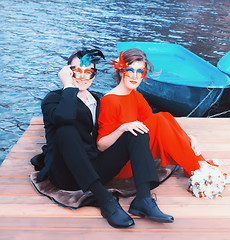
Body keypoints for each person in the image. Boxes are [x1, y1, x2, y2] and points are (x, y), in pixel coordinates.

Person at [37, 49, 173, 229]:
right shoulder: (53, 99)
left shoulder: (97, 100)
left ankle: (143, 199)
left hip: (94, 167)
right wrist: (69, 85)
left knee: (135, 129)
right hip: (66, 175)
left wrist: (125, 127)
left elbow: (102, 141)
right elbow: (66, 117)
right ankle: (106, 201)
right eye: (77, 71)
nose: (83, 76)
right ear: (69, 72)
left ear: (94, 75)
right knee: (66, 130)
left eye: (89, 72)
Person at [97, 48, 230, 186]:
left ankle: (199, 164)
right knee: (160, 118)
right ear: (121, 71)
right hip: (120, 166)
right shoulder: (109, 101)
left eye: (140, 72)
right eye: (130, 70)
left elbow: (155, 129)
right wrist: (123, 128)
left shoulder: (136, 96)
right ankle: (200, 170)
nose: (134, 76)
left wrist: (188, 138)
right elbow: (101, 145)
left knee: (164, 117)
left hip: (136, 155)